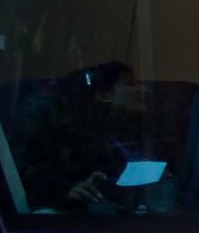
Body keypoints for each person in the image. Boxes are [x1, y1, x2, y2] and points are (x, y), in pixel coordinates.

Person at [18, 61, 151, 212]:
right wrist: (71, 193)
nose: (143, 89)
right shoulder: (70, 143)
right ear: (104, 95)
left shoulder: (135, 132)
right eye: (131, 84)